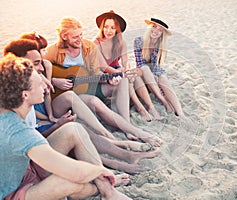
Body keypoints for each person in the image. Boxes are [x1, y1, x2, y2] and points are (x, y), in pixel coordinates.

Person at [3, 38, 160, 175]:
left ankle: (123, 147)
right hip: (32, 158)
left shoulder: (35, 77)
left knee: (79, 121)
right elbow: (32, 137)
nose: (42, 67)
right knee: (75, 131)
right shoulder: (14, 97)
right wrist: (56, 123)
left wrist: (52, 117)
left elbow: (44, 102)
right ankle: (116, 156)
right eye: (36, 62)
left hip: (41, 126)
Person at [0, 53, 131, 200]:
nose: (46, 85)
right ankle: (103, 187)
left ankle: (108, 192)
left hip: (25, 169)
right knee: (66, 181)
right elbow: (77, 173)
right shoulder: (17, 131)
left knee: (73, 129)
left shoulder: (8, 106)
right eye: (40, 84)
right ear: (25, 95)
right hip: (11, 193)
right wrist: (100, 171)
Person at [45, 17, 163, 146]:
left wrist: (110, 79)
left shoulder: (88, 46)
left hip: (89, 85)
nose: (80, 39)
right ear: (64, 36)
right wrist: (54, 80)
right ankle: (130, 130)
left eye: (81, 34)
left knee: (123, 80)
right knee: (95, 102)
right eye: (75, 37)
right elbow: (39, 73)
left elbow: (96, 73)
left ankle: (126, 124)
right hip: (71, 95)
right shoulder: (53, 51)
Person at [93, 10, 162, 121]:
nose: (109, 30)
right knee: (126, 78)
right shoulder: (95, 43)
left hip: (117, 70)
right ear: (102, 27)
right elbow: (104, 67)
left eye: (113, 27)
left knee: (135, 76)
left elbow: (125, 63)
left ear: (117, 29)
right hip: (103, 75)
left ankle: (151, 107)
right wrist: (121, 72)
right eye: (106, 27)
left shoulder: (120, 42)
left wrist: (125, 70)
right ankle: (141, 109)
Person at [134, 17, 185, 117]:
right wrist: (153, 76)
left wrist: (157, 78)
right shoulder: (139, 41)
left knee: (163, 80)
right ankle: (164, 101)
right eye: (154, 27)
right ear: (149, 28)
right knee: (145, 68)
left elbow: (157, 67)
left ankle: (180, 113)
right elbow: (140, 63)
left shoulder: (161, 46)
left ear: (162, 34)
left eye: (160, 30)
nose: (156, 31)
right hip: (143, 72)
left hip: (156, 72)